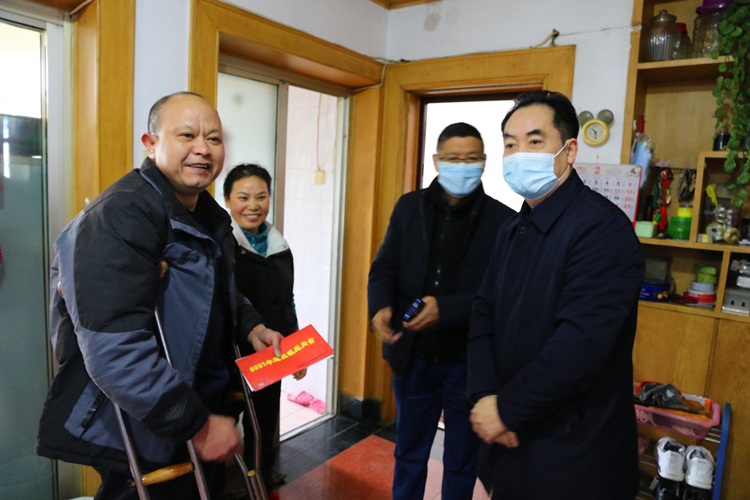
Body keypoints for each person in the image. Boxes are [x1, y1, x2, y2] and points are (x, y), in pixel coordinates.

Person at [36, 92, 284, 500]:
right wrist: (198, 426)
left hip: (197, 404)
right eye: (187, 135)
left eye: (214, 138)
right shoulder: (122, 214)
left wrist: (250, 325)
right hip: (149, 418)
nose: (203, 148)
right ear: (151, 144)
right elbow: (115, 351)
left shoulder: (205, 214)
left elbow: (214, 289)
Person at [467, 90, 645, 500]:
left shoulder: (602, 229)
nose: (518, 155)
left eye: (535, 141)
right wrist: (483, 394)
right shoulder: (512, 229)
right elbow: (483, 313)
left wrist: (505, 410)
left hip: (574, 456)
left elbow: (581, 346)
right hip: (510, 445)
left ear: (569, 151)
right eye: (510, 145)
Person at [368, 123, 515, 500]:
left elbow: (502, 293)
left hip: (468, 362)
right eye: (452, 159)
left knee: (463, 457)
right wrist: (380, 307)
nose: (461, 167)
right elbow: (384, 267)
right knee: (409, 451)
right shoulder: (409, 207)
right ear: (436, 161)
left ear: (484, 162)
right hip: (413, 353)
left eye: (471, 159)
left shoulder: (503, 221)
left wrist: (446, 310)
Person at [223, 163, 306, 494]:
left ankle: (259, 483)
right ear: (227, 200)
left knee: (264, 427)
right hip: (228, 357)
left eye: (261, 196)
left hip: (269, 354)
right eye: (243, 197)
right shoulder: (221, 245)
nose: (253, 205)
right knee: (225, 426)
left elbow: (287, 300)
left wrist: (295, 350)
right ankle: (217, 487)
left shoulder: (278, 245)